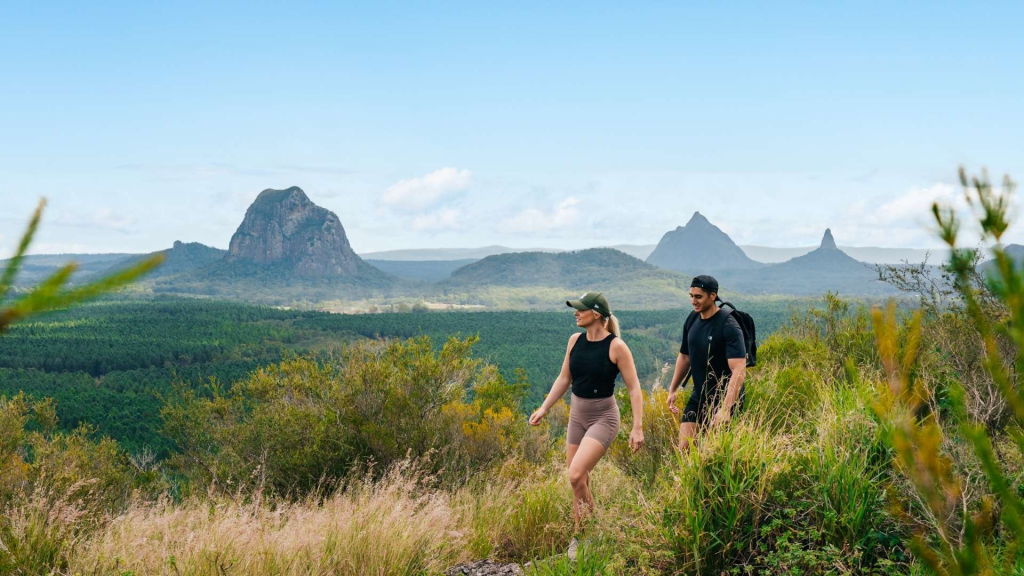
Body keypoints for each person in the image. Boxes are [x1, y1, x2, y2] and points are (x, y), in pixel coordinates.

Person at [529, 291, 644, 547]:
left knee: (575, 474)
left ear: (597, 314)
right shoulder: (574, 341)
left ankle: (590, 532)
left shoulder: (616, 346)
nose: (575, 312)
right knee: (579, 481)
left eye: (581, 309)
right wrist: (544, 408)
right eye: (576, 309)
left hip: (604, 417)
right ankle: (581, 535)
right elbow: (564, 379)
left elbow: (634, 388)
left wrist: (637, 427)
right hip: (577, 416)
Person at [666, 275, 747, 452]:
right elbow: (684, 356)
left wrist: (726, 409)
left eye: (698, 297)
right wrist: (673, 389)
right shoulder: (692, 319)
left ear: (713, 296)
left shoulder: (728, 325)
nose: (693, 301)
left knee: (712, 454)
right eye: (691, 296)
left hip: (725, 397)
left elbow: (739, 370)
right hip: (699, 394)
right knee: (685, 449)